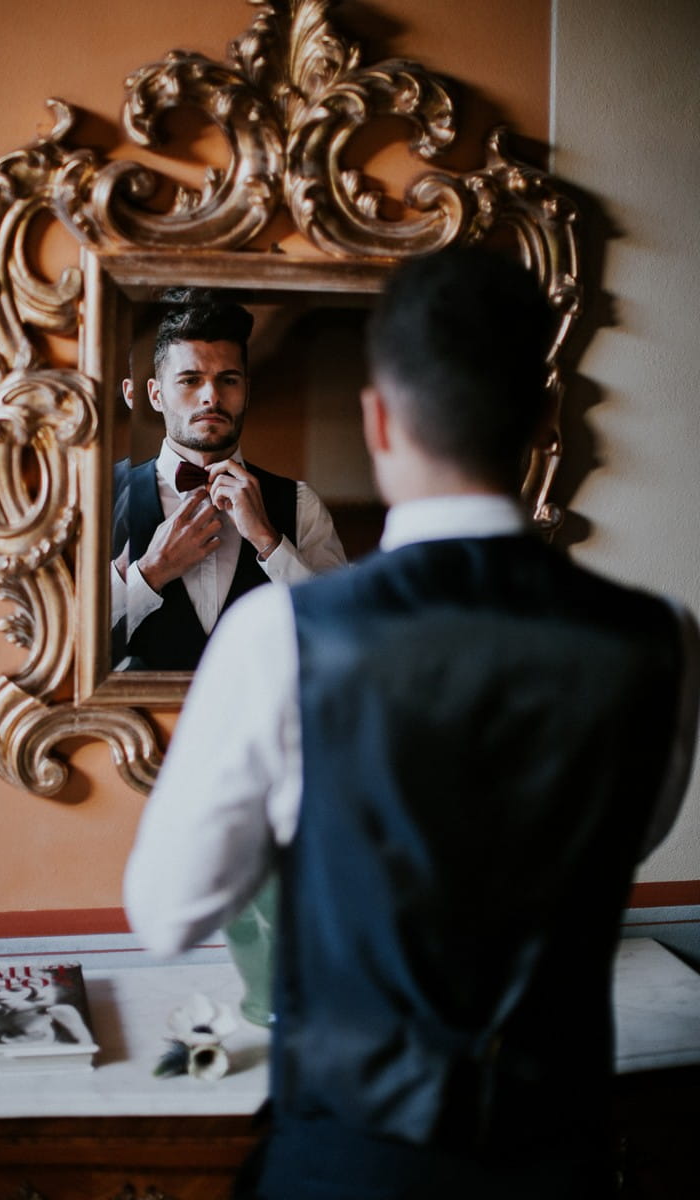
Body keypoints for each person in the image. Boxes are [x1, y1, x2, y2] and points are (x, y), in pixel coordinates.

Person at [124, 247, 699, 1199]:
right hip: (563, 1162)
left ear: (379, 418)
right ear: (547, 421)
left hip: (349, 1163)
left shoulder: (282, 640)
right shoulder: (660, 640)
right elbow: (622, 837)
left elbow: (167, 911)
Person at [111, 291, 346, 669]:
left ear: (246, 390)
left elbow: (344, 631)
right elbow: (67, 639)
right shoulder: (103, 497)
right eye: (190, 380)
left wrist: (269, 543)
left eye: (229, 380)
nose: (212, 397)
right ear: (155, 395)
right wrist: (151, 571)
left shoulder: (301, 504)